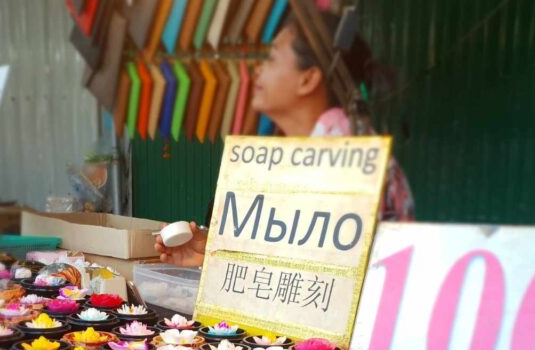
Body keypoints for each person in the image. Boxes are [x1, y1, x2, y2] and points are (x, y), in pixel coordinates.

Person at [156, 12, 414, 267]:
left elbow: (338, 278)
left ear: (308, 79)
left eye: (270, 58)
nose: (258, 69)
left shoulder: (346, 155)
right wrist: (213, 252)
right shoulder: (294, 153)